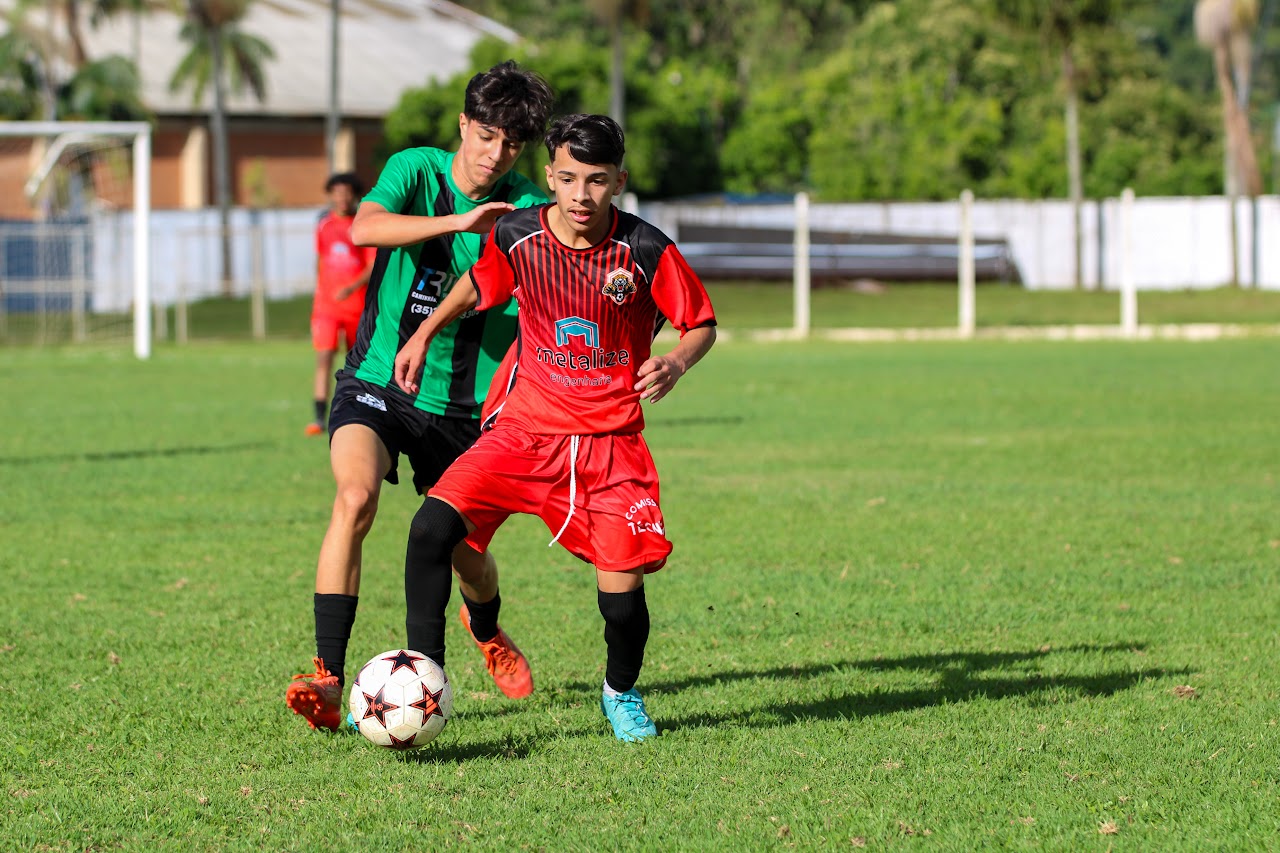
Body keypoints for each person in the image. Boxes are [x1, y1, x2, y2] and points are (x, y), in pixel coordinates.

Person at [392, 114, 718, 742]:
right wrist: (424, 332)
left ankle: (620, 693)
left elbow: (700, 322)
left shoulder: (647, 249)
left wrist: (676, 359)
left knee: (622, 599)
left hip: (611, 444)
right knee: (431, 528)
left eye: (597, 181)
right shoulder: (517, 233)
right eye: (568, 179)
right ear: (549, 176)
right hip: (525, 428)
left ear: (619, 181)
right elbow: (475, 284)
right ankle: (417, 683)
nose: (580, 196)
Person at [285, 60, 556, 732]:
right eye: (487, 135)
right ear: (464, 125)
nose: (496, 153)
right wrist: (458, 225)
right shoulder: (416, 170)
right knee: (354, 497)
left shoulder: (526, 208)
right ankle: (324, 674)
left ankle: (486, 625)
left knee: (469, 557)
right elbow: (365, 228)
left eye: (511, 144)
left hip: (463, 412)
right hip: (378, 382)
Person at [307, 172, 375, 436]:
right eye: (337, 192)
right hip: (326, 307)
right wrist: (320, 289)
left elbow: (371, 265)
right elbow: (321, 260)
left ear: (354, 195)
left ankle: (353, 412)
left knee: (354, 364)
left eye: (346, 192)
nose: (342, 197)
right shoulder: (324, 225)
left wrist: (351, 287)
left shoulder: (362, 224)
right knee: (323, 357)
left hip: (356, 307)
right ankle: (318, 418)